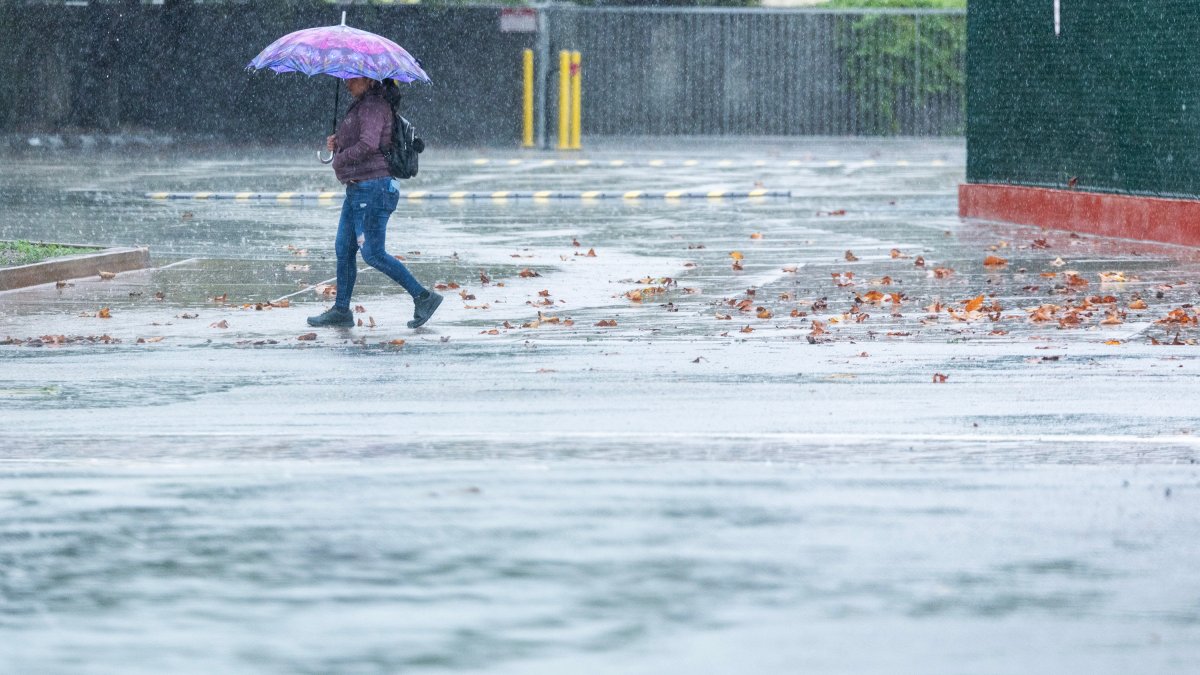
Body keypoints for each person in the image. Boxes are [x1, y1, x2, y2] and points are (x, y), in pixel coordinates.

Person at [307, 77, 442, 329]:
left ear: (368, 79)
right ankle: (341, 310)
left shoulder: (372, 105)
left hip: (373, 189)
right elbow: (365, 139)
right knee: (344, 249)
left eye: (351, 78)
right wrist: (338, 143)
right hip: (359, 188)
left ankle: (424, 297)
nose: (346, 82)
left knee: (373, 253)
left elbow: (368, 144)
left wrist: (340, 159)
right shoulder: (365, 104)